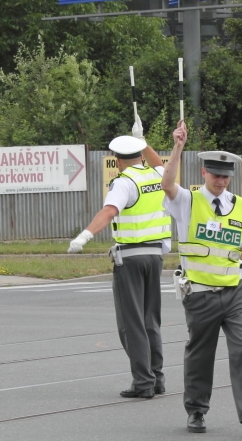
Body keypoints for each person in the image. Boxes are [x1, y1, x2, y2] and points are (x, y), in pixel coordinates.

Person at [160, 120, 242, 437]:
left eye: (226, 176)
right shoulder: (188, 200)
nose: (221, 181)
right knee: (201, 355)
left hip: (235, 294)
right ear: (204, 173)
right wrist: (177, 147)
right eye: (215, 175)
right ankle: (196, 410)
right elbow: (167, 184)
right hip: (200, 295)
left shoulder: (238, 204)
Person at [68, 118, 170, 398]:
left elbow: (109, 212)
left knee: (131, 323)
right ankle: (157, 377)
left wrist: (84, 236)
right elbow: (159, 161)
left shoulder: (124, 183)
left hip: (131, 258)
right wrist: (144, 140)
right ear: (139, 155)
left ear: (116, 159)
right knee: (151, 320)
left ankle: (143, 382)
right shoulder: (155, 176)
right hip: (155, 257)